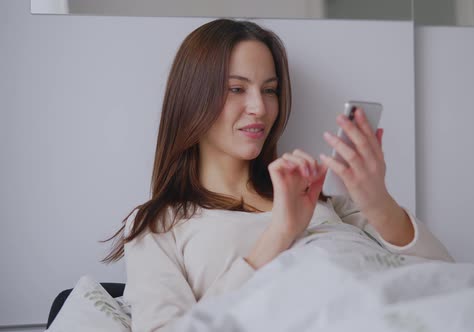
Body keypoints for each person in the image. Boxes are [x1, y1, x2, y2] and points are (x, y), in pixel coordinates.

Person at [103, 18, 452, 331]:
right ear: (192, 98)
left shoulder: (323, 201)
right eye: (237, 89)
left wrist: (378, 201)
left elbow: (446, 283)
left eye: (270, 90)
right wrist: (280, 233)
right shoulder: (160, 225)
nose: (260, 108)